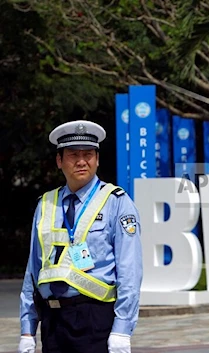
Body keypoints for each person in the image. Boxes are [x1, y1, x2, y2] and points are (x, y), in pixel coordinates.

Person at [18, 120, 143, 353]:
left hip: (96, 320)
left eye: (88, 154)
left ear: (97, 159)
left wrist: (122, 329)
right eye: (73, 154)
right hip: (53, 322)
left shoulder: (117, 202)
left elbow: (130, 270)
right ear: (59, 161)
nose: (81, 161)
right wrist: (27, 329)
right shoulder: (45, 204)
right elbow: (33, 270)